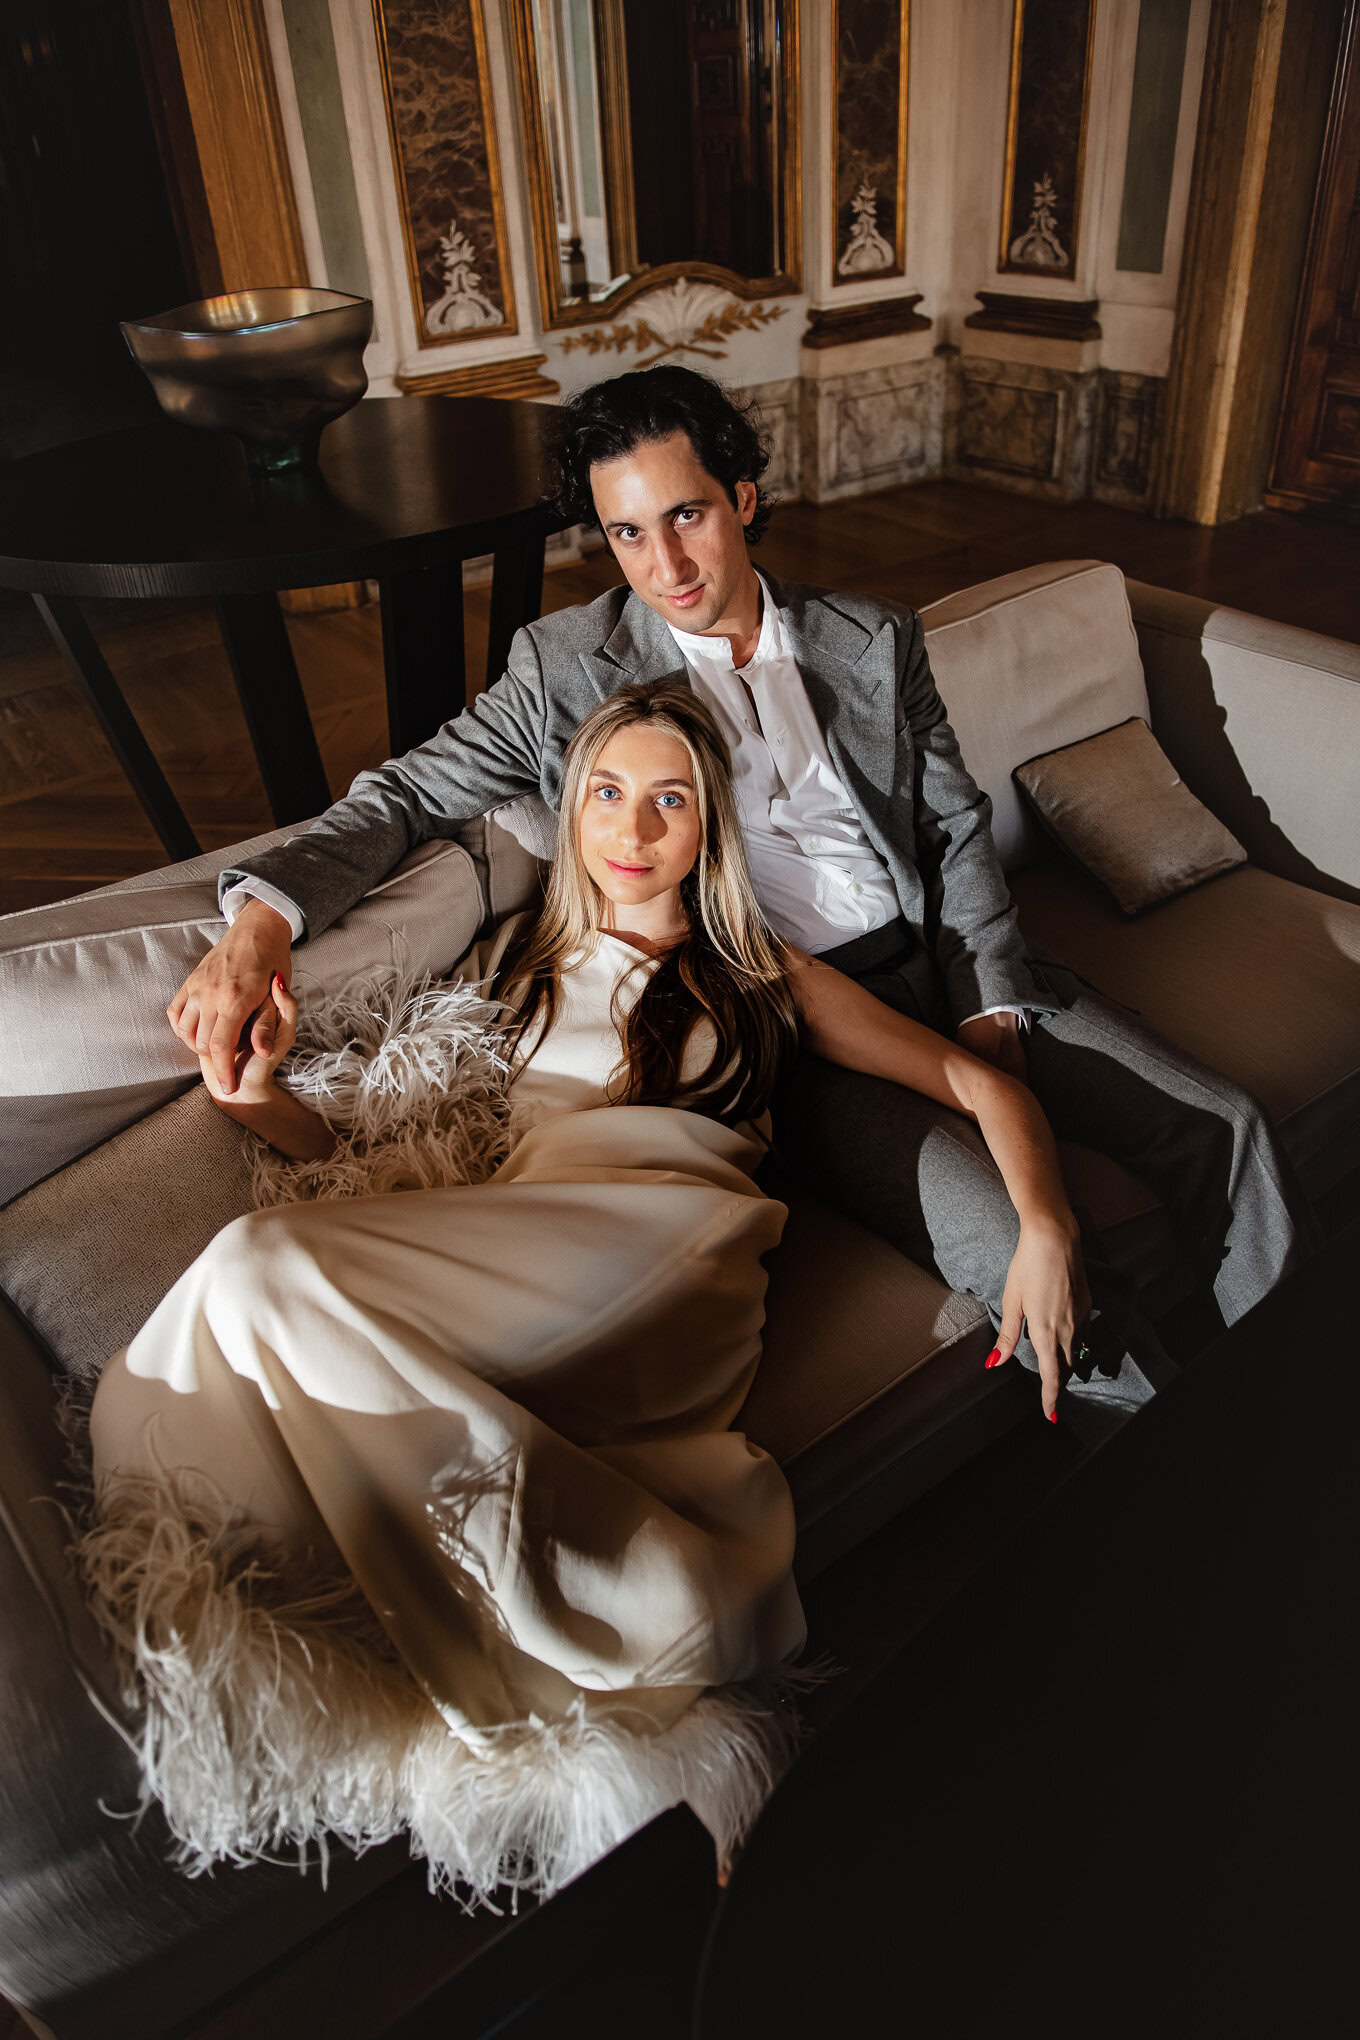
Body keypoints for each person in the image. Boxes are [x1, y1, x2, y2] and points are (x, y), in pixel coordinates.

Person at [89, 682, 1090, 1892]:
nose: (633, 828)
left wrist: (1043, 1227)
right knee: (217, 1317)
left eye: (669, 801)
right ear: (570, 810)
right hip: (528, 1234)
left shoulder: (755, 969)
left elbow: (981, 1084)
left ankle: (523, 1689)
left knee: (257, 1266)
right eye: (607, 793)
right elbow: (377, 1160)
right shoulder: (517, 961)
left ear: (708, 826)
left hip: (673, 1231)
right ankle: (257, 1630)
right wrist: (256, 1098)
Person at [168, 365, 1318, 1410]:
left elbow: (952, 826)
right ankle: (1176, 1489)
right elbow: (401, 796)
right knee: (1007, 1240)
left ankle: (1286, 1415)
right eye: (627, 533)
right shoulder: (560, 669)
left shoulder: (870, 638)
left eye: (686, 516)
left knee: (1223, 1126)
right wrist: (258, 928)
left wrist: (989, 1004)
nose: (664, 566)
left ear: (744, 499)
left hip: (946, 960)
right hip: (788, 1022)